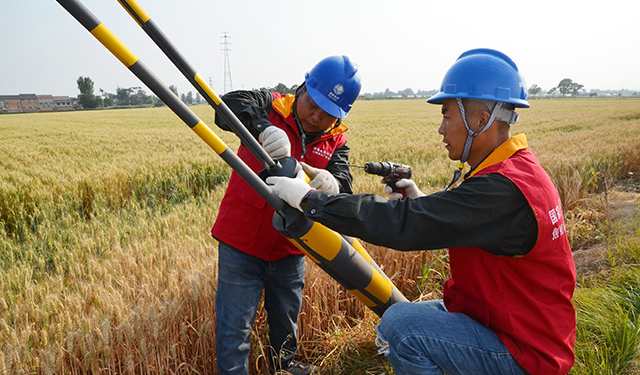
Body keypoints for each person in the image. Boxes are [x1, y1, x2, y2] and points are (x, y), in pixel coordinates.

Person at [266, 49, 576, 375]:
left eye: (446, 116)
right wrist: (419, 197)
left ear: (480, 120)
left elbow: (406, 225)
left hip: (524, 353)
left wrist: (310, 200)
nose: (441, 129)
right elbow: (464, 219)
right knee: (396, 324)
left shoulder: (501, 190)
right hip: (510, 322)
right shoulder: (516, 171)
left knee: (402, 327)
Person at [212, 55, 362, 375]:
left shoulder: (336, 140)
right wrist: (262, 128)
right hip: (242, 243)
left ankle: (283, 370)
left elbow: (345, 185)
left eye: (327, 114)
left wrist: (331, 183)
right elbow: (227, 104)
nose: (316, 116)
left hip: (293, 248)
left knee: (285, 327)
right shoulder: (271, 105)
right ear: (303, 87)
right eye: (312, 104)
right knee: (233, 332)